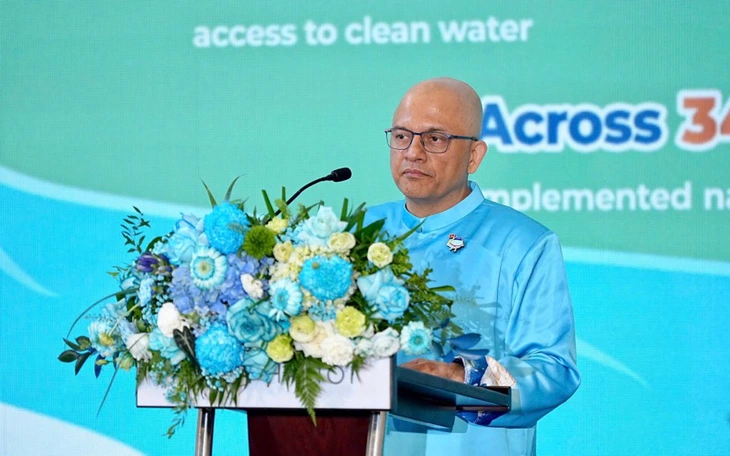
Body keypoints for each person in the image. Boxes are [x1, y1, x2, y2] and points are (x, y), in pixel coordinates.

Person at [364, 77, 580, 456]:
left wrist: (462, 376)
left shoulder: (523, 242)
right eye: (401, 136)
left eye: (435, 139)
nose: (413, 152)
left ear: (474, 156)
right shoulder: (358, 233)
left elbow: (554, 370)